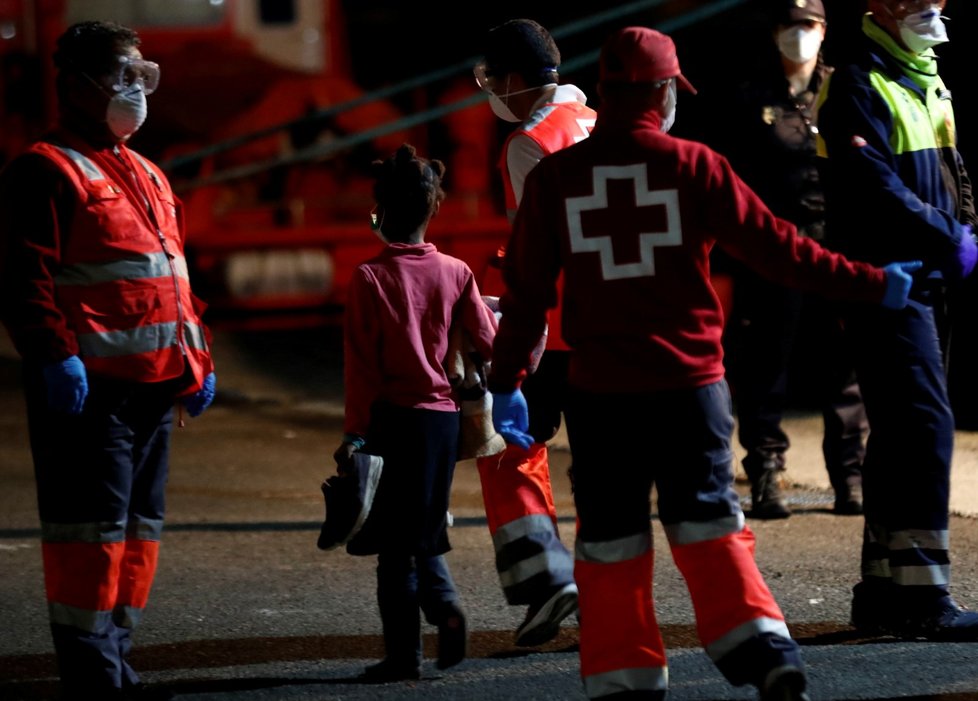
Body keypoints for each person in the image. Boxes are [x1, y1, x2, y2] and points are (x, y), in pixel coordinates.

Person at [487, 25, 919, 701]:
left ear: (605, 91)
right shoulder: (697, 166)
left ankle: (626, 678)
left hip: (602, 398)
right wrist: (874, 283)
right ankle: (761, 646)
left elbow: (525, 295)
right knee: (712, 526)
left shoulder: (554, 179)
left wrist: (505, 380)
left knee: (610, 545)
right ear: (662, 92)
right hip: (692, 390)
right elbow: (783, 251)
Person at [0, 21, 216, 701]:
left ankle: (118, 669)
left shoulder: (147, 172)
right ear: (76, 84)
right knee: (88, 543)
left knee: (135, 542)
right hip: (90, 397)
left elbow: (173, 276)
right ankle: (93, 680)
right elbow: (22, 279)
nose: (134, 89)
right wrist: (52, 356)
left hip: (154, 391)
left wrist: (198, 358)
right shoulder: (44, 169)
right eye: (121, 75)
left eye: (140, 75)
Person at [814, 0, 978, 639]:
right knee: (925, 424)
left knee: (902, 428)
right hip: (887, 281)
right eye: (918, 2)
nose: (934, 12)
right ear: (880, 6)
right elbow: (872, 182)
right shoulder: (858, 81)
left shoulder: (923, 75)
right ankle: (923, 596)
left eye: (938, 2)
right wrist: (947, 235)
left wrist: (965, 229)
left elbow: (951, 170)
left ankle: (884, 589)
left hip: (926, 279)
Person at [332, 143, 498, 680]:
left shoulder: (368, 277)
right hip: (442, 423)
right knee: (422, 526)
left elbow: (361, 368)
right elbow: (489, 342)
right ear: (433, 210)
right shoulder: (457, 271)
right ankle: (445, 609)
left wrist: (354, 434)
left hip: (392, 420)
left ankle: (404, 656)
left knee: (392, 548)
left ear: (380, 213)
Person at [707, 0, 866, 518]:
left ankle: (849, 476)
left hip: (834, 243)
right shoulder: (753, 96)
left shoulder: (845, 89)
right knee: (764, 363)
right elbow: (737, 179)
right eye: (792, 26)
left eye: (810, 25)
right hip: (774, 250)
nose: (801, 35)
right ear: (777, 32)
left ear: (824, 31)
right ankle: (767, 473)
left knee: (842, 363)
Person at [470, 18, 594, 647]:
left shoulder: (528, 143)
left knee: (507, 446)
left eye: (493, 79)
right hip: (611, 325)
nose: (492, 90)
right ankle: (609, 594)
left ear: (515, 81)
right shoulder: (596, 121)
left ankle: (545, 581)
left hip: (556, 329)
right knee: (604, 469)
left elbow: (538, 252)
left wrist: (509, 320)